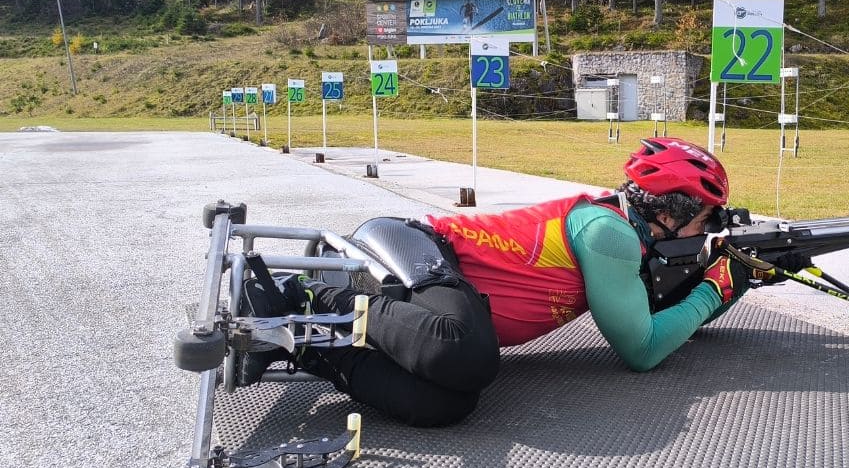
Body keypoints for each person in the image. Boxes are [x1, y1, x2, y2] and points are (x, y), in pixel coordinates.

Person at [277, 138, 756, 427]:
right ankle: (300, 294)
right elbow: (644, 349)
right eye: (706, 220)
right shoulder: (610, 233)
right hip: (411, 245)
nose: (707, 231)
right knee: (465, 352)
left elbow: (658, 314)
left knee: (447, 403)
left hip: (423, 280)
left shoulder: (628, 230)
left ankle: (313, 346)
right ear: (673, 213)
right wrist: (716, 288)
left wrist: (730, 283)